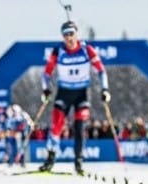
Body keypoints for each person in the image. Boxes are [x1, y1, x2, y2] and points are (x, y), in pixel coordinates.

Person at [37, 20, 108, 175]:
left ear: (77, 34)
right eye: (65, 35)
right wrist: (45, 89)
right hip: (64, 92)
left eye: (71, 34)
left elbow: (101, 70)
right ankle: (50, 160)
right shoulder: (58, 51)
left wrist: (105, 89)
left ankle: (78, 163)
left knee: (80, 127)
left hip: (82, 93)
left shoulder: (87, 50)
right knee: (56, 125)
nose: (69, 38)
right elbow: (46, 73)